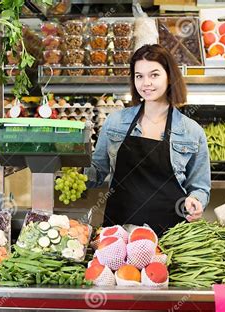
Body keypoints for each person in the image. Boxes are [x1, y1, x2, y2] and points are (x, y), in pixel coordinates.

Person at [86, 44, 211, 236]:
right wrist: (73, 169)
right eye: (139, 76)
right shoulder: (115, 122)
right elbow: (98, 171)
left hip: (172, 236)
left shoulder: (191, 132)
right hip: (121, 234)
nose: (146, 83)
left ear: (169, 77)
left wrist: (195, 201)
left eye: (154, 75)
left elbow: (200, 187)